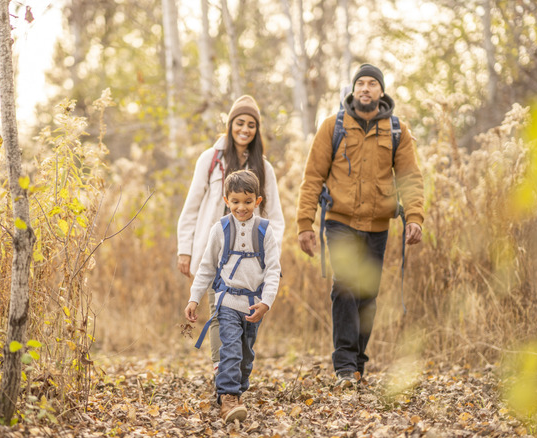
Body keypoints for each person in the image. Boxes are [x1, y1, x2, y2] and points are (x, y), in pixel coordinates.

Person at [296, 64, 425, 388]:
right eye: (360, 83)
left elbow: (410, 179)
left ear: (381, 91)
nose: (366, 88)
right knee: (345, 285)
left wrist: (414, 217)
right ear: (353, 91)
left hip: (378, 225)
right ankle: (343, 365)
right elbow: (312, 177)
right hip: (340, 221)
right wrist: (305, 224)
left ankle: (357, 364)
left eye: (372, 84)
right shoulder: (333, 126)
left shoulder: (397, 131)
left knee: (367, 294)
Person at [177, 95, 284, 377]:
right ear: (230, 125)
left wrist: (273, 255)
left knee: (247, 322)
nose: (245, 129)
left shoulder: (264, 167)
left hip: (250, 260)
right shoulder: (210, 160)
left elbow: (275, 216)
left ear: (256, 129)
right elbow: (191, 207)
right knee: (217, 312)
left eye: (251, 124)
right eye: (239, 123)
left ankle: (236, 369)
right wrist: (185, 250)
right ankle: (222, 373)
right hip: (213, 251)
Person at [184, 170, 281, 423]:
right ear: (226, 200)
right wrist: (194, 298)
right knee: (231, 350)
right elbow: (207, 267)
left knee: (246, 356)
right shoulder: (220, 229)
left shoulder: (264, 230)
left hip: (253, 306)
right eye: (235, 201)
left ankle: (237, 392)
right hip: (226, 301)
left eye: (247, 202)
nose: (241, 207)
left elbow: (273, 270)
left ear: (257, 201)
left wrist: (266, 302)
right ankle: (227, 398)